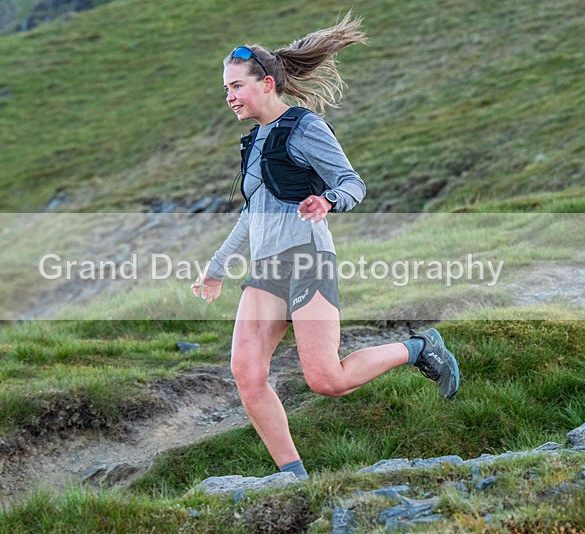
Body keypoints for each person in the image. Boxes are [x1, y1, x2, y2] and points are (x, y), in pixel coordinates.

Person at [191, 14, 460, 482]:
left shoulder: (305, 127)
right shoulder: (253, 142)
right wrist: (216, 268)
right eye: (226, 89)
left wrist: (329, 200)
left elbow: (352, 183)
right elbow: (252, 215)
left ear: (267, 83)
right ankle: (294, 479)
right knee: (247, 373)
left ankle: (419, 348)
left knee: (327, 379)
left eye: (236, 86)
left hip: (307, 258)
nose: (230, 97)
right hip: (266, 269)